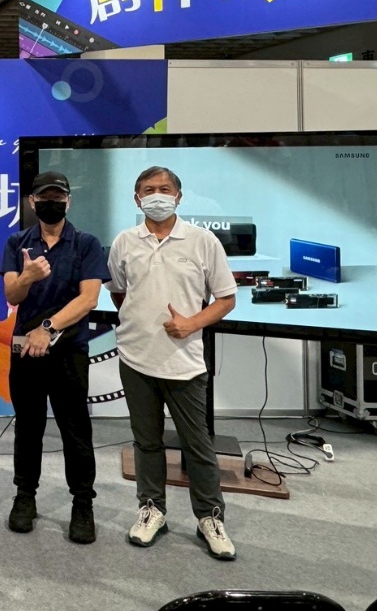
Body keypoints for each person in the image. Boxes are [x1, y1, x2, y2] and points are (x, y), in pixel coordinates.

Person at [107, 166, 238, 560]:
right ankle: (152, 509)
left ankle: (210, 517)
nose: (157, 196)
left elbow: (226, 298)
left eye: (164, 189)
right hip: (136, 359)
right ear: (137, 199)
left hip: (185, 364)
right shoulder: (124, 242)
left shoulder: (202, 240)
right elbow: (120, 293)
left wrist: (191, 323)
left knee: (197, 445)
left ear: (178, 196)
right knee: (146, 441)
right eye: (148, 190)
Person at [0, 170, 107, 543]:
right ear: (32, 202)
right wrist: (27, 276)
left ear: (68, 201)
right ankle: (25, 496)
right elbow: (12, 295)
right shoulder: (17, 242)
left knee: (75, 429)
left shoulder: (86, 243)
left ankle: (83, 503)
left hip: (68, 351)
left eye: (58, 197)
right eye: (44, 197)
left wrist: (47, 328)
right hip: (26, 350)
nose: (51, 203)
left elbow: (88, 299)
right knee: (28, 428)